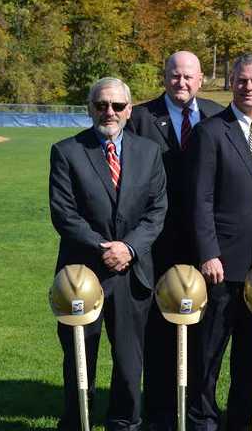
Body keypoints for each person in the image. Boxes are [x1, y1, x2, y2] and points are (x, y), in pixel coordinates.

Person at [48, 77, 167, 430]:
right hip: (82, 274)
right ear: (90, 108)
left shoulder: (149, 152)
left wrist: (128, 248)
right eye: (101, 105)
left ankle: (124, 422)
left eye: (117, 106)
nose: (109, 112)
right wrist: (105, 248)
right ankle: (77, 421)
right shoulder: (67, 151)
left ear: (129, 110)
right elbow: (64, 213)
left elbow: (157, 210)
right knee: (79, 358)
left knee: (130, 362)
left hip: (132, 274)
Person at [186, 53, 252, 431]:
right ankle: (203, 420)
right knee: (209, 352)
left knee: (251, 356)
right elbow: (200, 199)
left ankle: (242, 421)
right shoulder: (211, 132)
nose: (249, 87)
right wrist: (208, 252)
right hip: (222, 266)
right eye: (242, 81)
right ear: (232, 82)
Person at [127, 51, 222, 430]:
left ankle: (200, 409)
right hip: (156, 243)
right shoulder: (138, 118)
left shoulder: (218, 115)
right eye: (174, 76)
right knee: (158, 332)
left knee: (205, 333)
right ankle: (160, 411)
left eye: (188, 77)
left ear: (201, 79)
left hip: (206, 243)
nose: (181, 83)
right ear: (164, 77)